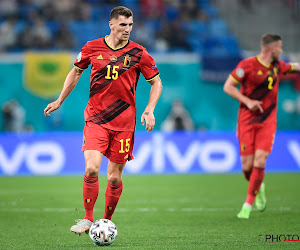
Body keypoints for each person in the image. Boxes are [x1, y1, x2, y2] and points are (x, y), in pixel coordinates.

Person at [44, 6, 162, 234]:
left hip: (124, 125)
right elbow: (76, 71)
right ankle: (88, 219)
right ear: (111, 25)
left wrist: (149, 109)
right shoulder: (92, 47)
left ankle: (106, 221)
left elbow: (156, 82)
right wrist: (59, 100)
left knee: (115, 177)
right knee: (91, 169)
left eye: (130, 25)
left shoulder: (139, 53)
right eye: (122, 25)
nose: (127, 29)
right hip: (96, 119)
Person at [223, 33, 300, 219]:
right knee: (247, 167)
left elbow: (296, 67)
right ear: (272, 49)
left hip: (267, 121)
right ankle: (259, 185)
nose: (282, 52)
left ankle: (247, 205)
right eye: (280, 48)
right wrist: (248, 101)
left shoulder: (278, 66)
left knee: (260, 160)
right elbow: (228, 86)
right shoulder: (247, 66)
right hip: (247, 121)